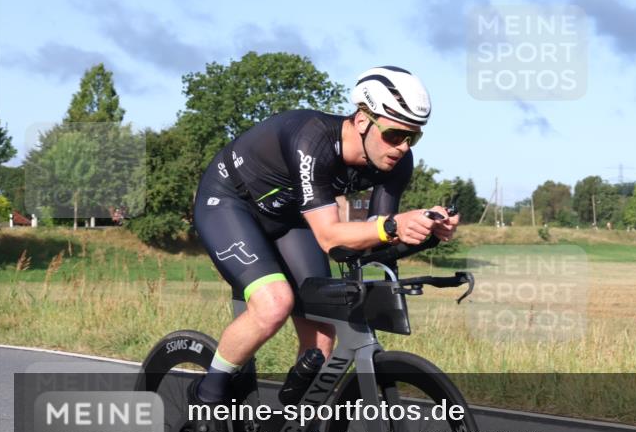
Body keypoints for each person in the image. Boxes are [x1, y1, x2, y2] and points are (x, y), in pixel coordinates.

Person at [190, 66, 459, 407]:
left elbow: (371, 241)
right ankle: (206, 397)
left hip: (290, 218)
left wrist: (426, 233)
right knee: (274, 304)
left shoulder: (397, 163)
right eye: (394, 135)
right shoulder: (313, 138)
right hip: (230, 203)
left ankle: (287, 431)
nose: (402, 148)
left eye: (413, 137)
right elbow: (333, 238)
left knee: (322, 337)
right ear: (363, 120)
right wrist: (392, 226)